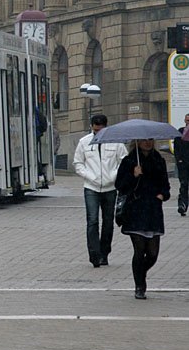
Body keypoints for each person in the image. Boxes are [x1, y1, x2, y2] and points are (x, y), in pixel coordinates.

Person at [115, 138, 171, 299]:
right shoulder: (129, 161)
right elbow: (120, 185)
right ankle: (139, 285)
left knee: (153, 253)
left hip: (153, 209)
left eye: (150, 140)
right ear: (137, 142)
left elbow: (165, 184)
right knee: (139, 251)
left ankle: (141, 272)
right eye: (144, 140)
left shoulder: (158, 160)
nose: (147, 143)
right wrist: (133, 175)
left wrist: (163, 195)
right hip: (135, 210)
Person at [73, 114, 128, 267]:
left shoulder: (116, 142)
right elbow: (78, 163)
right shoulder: (84, 142)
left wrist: (113, 176)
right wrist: (89, 176)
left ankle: (104, 253)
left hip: (110, 187)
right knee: (92, 221)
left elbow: (123, 161)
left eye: (101, 129)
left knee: (108, 222)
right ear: (92, 127)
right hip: (91, 187)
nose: (98, 132)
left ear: (105, 126)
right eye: (95, 129)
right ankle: (94, 254)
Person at [173, 113, 189, 216]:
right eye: (187, 120)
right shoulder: (180, 132)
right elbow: (177, 148)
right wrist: (179, 160)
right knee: (184, 185)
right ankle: (182, 205)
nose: (188, 122)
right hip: (183, 164)